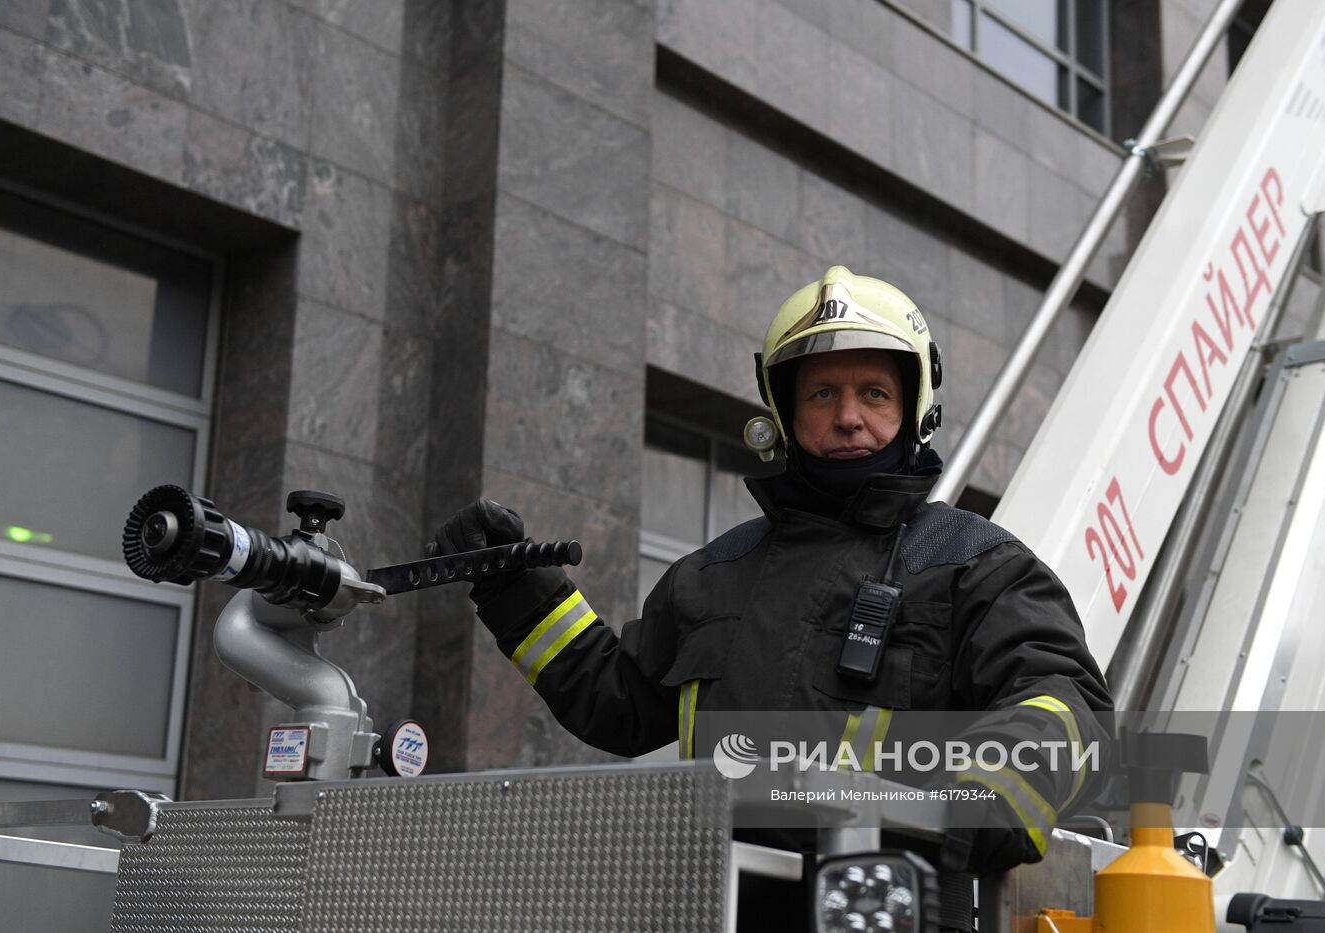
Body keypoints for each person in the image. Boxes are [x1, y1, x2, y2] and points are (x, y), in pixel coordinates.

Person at [431, 266, 1112, 925]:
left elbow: (1062, 698)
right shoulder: (714, 572)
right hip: (712, 907)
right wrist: (513, 585)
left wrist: (991, 795)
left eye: (874, 393)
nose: (848, 418)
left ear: (914, 409)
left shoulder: (974, 563)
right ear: (784, 415)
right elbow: (619, 704)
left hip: (888, 911)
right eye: (822, 395)